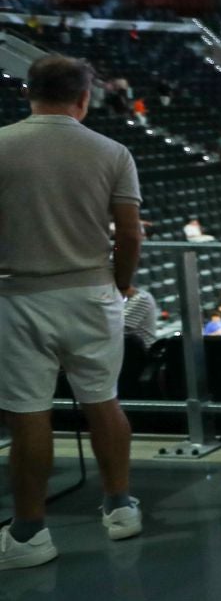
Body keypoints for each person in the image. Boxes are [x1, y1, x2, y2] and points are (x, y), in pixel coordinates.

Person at [0, 55, 145, 570]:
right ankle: (120, 505)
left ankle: (30, 532)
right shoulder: (111, 151)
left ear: (28, 93)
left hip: (17, 296)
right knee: (103, 401)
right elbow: (129, 233)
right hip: (91, 293)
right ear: (83, 98)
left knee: (29, 415)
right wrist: (122, 284)